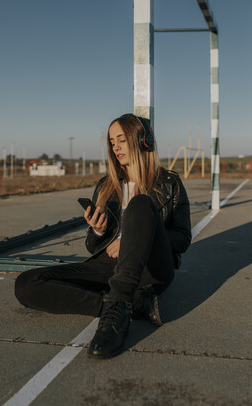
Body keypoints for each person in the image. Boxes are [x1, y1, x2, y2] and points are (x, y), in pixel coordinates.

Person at [15, 114, 191, 359]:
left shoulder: (170, 183)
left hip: (150, 268)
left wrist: (130, 241)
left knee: (141, 204)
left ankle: (116, 308)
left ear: (143, 140)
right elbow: (92, 246)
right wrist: (98, 230)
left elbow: (182, 237)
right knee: (26, 284)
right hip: (108, 266)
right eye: (111, 141)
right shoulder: (106, 185)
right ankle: (124, 306)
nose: (115, 146)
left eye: (121, 139)